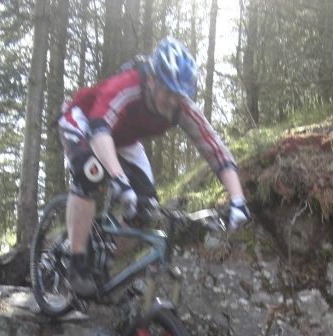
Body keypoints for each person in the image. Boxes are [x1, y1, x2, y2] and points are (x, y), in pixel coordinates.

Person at [58, 36, 251, 297]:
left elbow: (215, 149)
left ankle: (104, 256)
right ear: (151, 80)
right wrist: (118, 178)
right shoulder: (127, 86)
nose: (172, 101)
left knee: (145, 209)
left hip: (124, 140)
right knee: (90, 173)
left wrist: (238, 200)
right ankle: (77, 262)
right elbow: (99, 128)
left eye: (179, 95)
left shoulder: (181, 106)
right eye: (168, 92)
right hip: (84, 121)